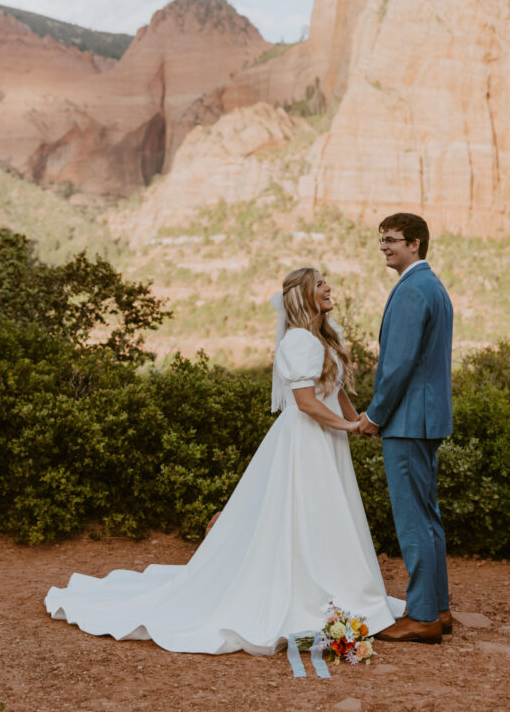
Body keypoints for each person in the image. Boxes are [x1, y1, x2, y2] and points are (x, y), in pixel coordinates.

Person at [45, 267, 403, 655]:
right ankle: (308, 591)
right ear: (303, 296)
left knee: (330, 513)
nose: (328, 288)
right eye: (319, 284)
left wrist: (359, 419)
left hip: (328, 437)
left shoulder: (322, 336)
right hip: (307, 441)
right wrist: (348, 429)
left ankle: (338, 587)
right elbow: (306, 403)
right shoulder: (298, 341)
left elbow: (333, 393)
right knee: (308, 514)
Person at [357, 213, 454, 644]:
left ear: (415, 243)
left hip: (407, 420)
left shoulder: (414, 289)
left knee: (413, 519)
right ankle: (439, 608)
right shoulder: (431, 285)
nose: (384, 247)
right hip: (425, 418)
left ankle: (422, 616)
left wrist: (375, 415)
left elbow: (398, 365)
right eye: (381, 240)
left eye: (392, 240)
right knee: (428, 515)